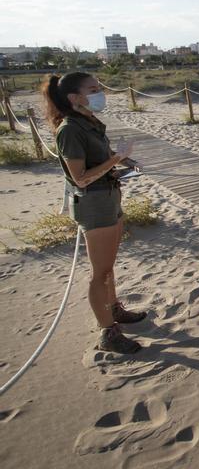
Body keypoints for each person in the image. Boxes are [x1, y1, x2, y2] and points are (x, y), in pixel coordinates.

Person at [42, 72, 146, 354]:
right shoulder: (70, 129)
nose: (101, 93)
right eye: (94, 89)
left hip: (109, 195)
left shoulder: (89, 122)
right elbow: (80, 178)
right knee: (99, 272)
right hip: (94, 202)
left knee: (108, 267)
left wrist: (125, 162)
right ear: (75, 97)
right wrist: (117, 158)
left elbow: (99, 161)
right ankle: (107, 332)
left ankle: (114, 310)